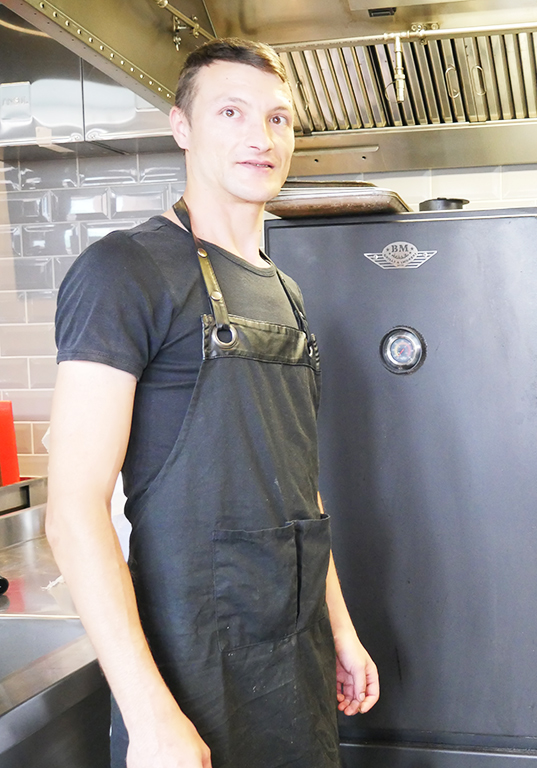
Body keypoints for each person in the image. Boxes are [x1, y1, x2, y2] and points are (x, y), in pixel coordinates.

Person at [46, 38, 379, 768]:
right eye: (231, 112)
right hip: (189, 671)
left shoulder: (286, 292)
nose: (261, 136)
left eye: (278, 118)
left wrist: (340, 629)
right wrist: (150, 718)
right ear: (182, 127)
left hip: (295, 663)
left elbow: (300, 489)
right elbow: (72, 511)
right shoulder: (122, 270)